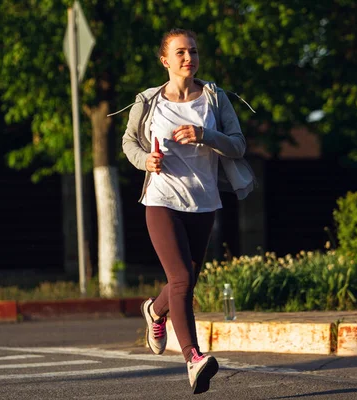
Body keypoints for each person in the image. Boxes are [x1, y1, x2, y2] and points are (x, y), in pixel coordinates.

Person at [118, 28, 254, 395]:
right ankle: (194, 358)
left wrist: (204, 135)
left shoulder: (214, 98)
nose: (188, 58)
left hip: (204, 202)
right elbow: (129, 142)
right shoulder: (148, 101)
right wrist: (146, 161)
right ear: (165, 60)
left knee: (186, 280)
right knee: (180, 280)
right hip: (161, 201)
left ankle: (154, 311)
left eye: (192, 51)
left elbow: (239, 146)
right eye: (180, 52)